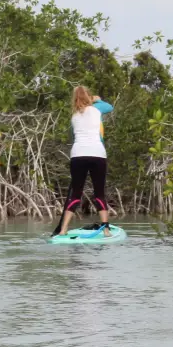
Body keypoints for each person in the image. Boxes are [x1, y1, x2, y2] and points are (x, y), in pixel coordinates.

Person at [56, 85, 114, 236]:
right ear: (89, 96)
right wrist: (97, 100)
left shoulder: (74, 116)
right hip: (97, 154)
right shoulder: (97, 109)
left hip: (78, 155)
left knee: (75, 194)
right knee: (99, 193)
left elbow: (73, 137)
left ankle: (63, 230)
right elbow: (109, 107)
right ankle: (106, 230)